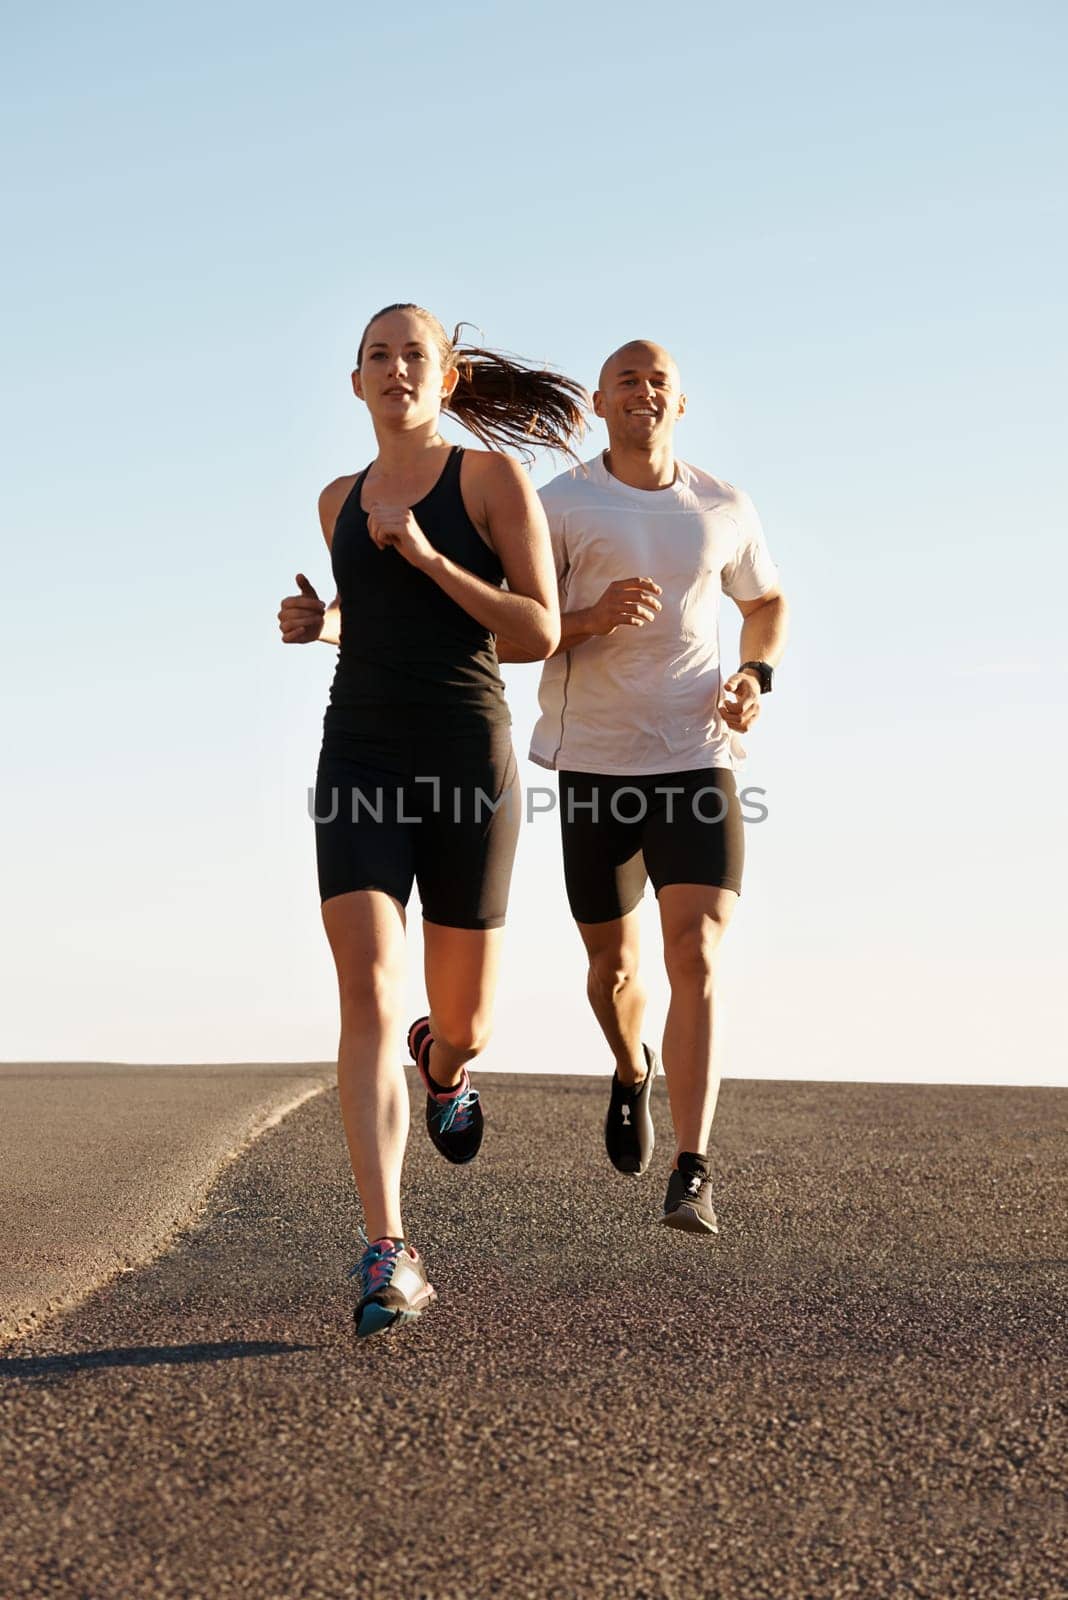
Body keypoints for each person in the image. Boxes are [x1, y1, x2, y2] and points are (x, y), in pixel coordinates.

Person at [277, 303, 586, 1337]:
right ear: (355, 383)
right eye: (378, 355)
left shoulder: (492, 483)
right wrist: (326, 622)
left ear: (445, 379)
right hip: (358, 752)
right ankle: (388, 1248)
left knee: (466, 1021)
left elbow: (537, 628)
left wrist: (429, 559)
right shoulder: (336, 499)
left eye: (416, 354)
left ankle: (445, 1065)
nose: (396, 367)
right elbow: (378, 624)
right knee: (364, 979)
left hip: (465, 761)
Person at [497, 339, 788, 1236]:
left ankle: (693, 1167)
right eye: (628, 379)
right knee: (614, 970)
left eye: (659, 380)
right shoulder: (561, 505)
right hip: (597, 762)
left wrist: (754, 678)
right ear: (599, 402)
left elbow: (765, 604)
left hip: (698, 758)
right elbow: (514, 631)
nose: (644, 391)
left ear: (681, 403)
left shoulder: (723, 506)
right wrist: (588, 618)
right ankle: (632, 1069)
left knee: (696, 952)